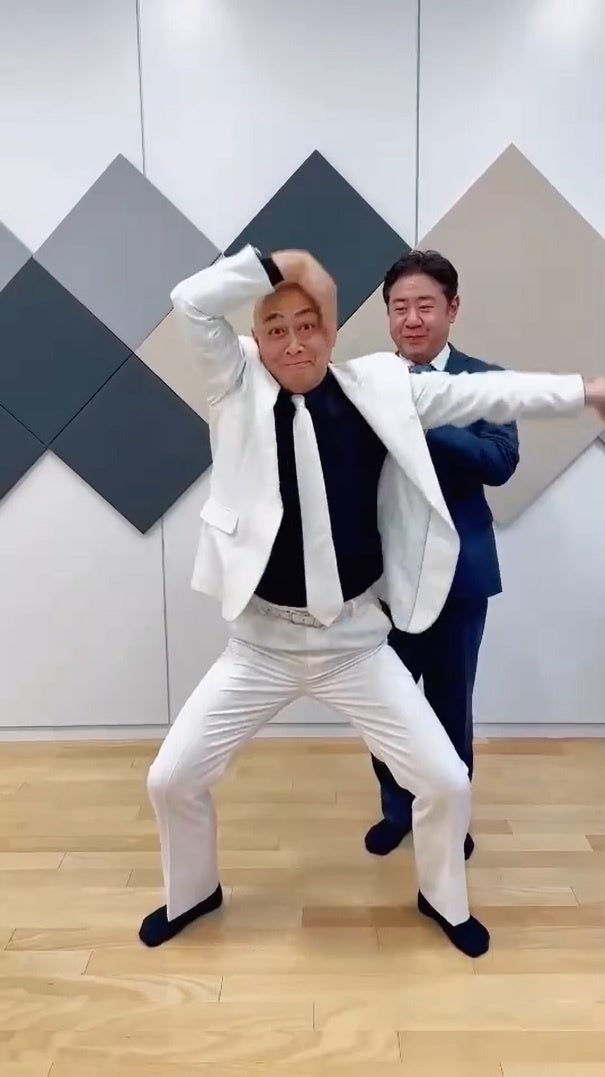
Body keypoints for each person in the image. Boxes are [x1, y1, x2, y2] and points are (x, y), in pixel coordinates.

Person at [139, 243, 605, 958]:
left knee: (446, 781)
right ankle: (193, 891)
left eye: (307, 325)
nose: (293, 342)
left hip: (353, 641)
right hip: (260, 644)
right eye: (275, 328)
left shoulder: (378, 387)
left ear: (331, 330)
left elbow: (487, 395)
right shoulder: (233, 384)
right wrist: (283, 264)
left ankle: (441, 896)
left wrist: (583, 392)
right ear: (254, 339)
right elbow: (190, 301)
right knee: (170, 779)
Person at [366, 249, 519, 860]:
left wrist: (424, 420)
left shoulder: (487, 381)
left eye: (425, 305)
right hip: (383, 578)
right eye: (399, 307)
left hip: (460, 577)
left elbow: (500, 462)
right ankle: (397, 810)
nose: (411, 319)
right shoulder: (365, 382)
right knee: (385, 707)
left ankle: (450, 818)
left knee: (451, 706)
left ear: (452, 309)